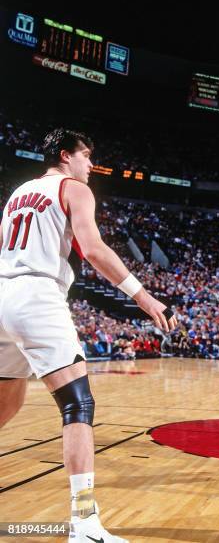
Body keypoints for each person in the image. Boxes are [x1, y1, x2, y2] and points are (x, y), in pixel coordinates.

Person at [0, 128, 176, 543]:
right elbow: (93, 249)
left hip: (3, 294)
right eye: (86, 156)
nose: (90, 165)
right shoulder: (73, 188)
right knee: (78, 405)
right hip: (37, 295)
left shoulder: (18, 193)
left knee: (7, 400)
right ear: (66, 156)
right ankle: (84, 522)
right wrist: (146, 299)